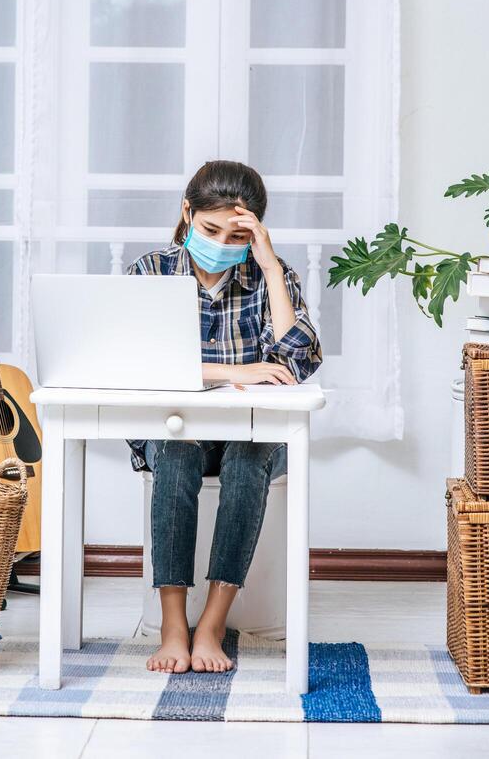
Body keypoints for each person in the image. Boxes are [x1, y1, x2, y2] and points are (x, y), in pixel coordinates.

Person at [125, 159, 322, 675]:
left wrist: (272, 266)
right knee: (174, 454)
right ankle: (173, 624)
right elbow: (140, 365)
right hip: (174, 429)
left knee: (249, 456)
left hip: (248, 435)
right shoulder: (151, 272)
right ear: (186, 213)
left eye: (235, 235)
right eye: (209, 229)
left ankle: (212, 623)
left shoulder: (267, 278)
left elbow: (296, 362)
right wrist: (240, 370)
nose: (219, 242)